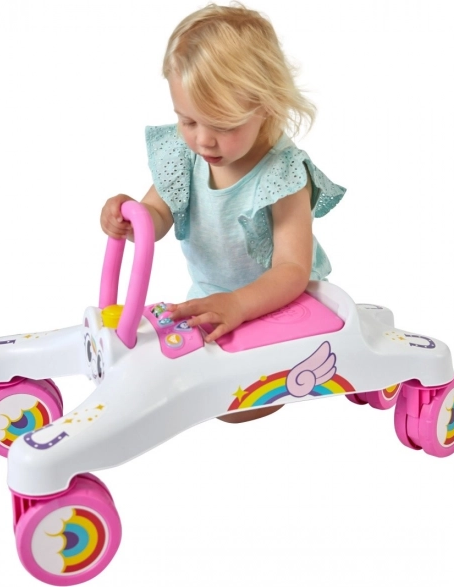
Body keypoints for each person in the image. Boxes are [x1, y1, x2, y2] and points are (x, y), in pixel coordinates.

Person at [100, 3, 346, 423]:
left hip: (276, 306)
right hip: (211, 300)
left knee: (227, 407)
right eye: (188, 121)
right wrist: (130, 217)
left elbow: (292, 270)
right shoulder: (184, 156)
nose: (203, 140)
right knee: (165, 372)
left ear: (266, 105)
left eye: (223, 125)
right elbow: (157, 215)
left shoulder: (283, 174)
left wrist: (239, 304)